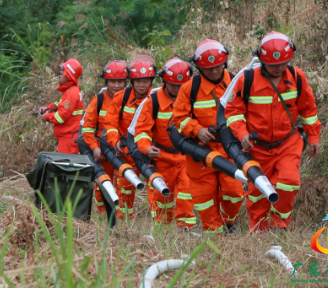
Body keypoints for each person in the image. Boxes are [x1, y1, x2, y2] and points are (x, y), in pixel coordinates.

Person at [225, 31, 321, 233]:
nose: (278, 68)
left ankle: (280, 226)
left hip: (288, 143)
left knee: (289, 181)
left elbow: (308, 110)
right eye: (273, 64)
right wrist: (242, 134)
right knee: (258, 190)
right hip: (257, 148)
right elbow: (233, 111)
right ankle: (258, 231)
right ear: (261, 60)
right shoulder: (247, 80)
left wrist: (313, 137)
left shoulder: (297, 77)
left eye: (282, 63)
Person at [171, 39, 244, 234]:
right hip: (201, 153)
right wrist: (197, 130)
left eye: (217, 66)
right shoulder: (189, 88)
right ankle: (215, 237)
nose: (213, 71)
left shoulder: (238, 83)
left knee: (234, 193)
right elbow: (178, 118)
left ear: (224, 63)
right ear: (199, 67)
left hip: (231, 150)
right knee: (204, 199)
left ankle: (229, 222)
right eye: (208, 68)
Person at [131, 58, 196, 229]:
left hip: (185, 156)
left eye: (181, 84)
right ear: (164, 81)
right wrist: (146, 148)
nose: (177, 88)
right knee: (161, 197)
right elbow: (141, 131)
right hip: (161, 157)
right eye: (172, 84)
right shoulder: (153, 101)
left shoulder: (192, 98)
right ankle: (162, 228)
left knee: (186, 194)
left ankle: (186, 229)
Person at [104, 57, 155, 219]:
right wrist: (115, 142)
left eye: (146, 81)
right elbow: (110, 124)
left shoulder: (157, 97)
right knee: (125, 187)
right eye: (138, 81)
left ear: (151, 81)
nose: (141, 85)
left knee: (155, 186)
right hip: (126, 152)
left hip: (149, 152)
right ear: (131, 80)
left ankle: (159, 221)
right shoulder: (121, 98)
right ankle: (124, 219)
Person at [81, 60, 128, 213]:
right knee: (103, 181)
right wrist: (94, 147)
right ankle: (103, 211)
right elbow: (87, 128)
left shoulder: (131, 99)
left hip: (125, 149)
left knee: (126, 183)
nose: (116, 85)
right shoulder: (98, 101)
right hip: (103, 149)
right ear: (106, 81)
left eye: (120, 81)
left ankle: (123, 214)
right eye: (112, 81)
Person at [40, 58, 84, 154]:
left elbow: (61, 116)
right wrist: (48, 108)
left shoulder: (71, 93)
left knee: (65, 165)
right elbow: (61, 104)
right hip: (68, 135)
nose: (60, 75)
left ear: (68, 75)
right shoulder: (70, 90)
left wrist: (47, 116)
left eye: (62, 72)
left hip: (68, 137)